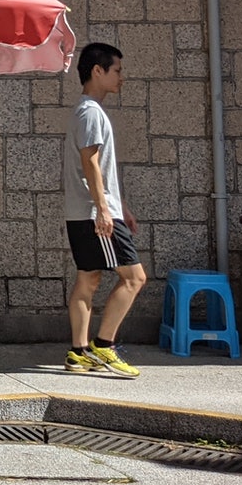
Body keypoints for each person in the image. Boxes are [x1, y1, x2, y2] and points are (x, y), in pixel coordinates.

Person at [62, 42, 145, 378]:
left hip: (85, 211)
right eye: (117, 70)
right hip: (94, 213)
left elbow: (99, 168)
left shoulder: (85, 111)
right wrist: (104, 210)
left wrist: (119, 206)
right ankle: (103, 346)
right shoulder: (91, 112)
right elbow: (90, 162)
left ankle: (79, 353)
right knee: (135, 278)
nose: (121, 77)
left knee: (88, 280)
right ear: (97, 70)